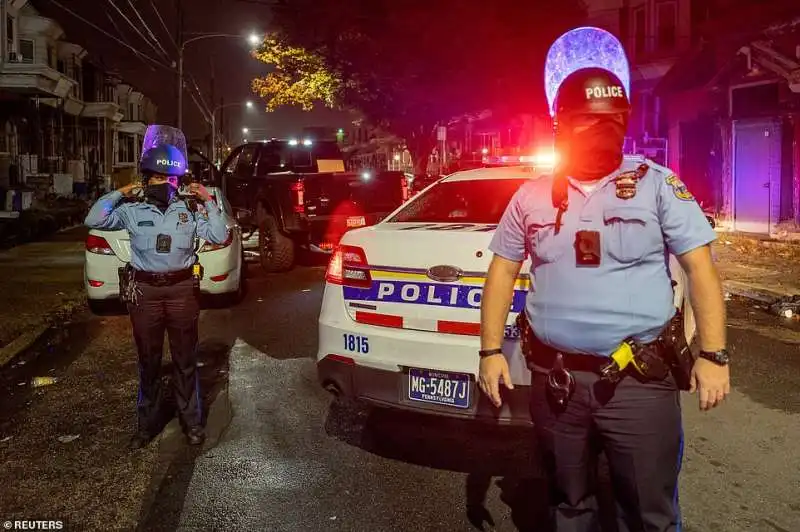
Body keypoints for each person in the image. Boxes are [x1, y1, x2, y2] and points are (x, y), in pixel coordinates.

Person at [478, 66, 731, 531]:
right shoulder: (531, 196)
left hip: (639, 382)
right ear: (562, 125)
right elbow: (502, 271)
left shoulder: (657, 185)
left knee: (648, 512)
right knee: (569, 503)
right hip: (557, 383)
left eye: (614, 118)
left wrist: (714, 354)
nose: (603, 128)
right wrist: (490, 352)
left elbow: (701, 269)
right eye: (589, 120)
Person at [85, 126, 229, 449]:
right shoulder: (132, 211)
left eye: (171, 179)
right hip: (145, 294)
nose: (166, 184)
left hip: (181, 292)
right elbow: (93, 218)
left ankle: (191, 422)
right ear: (147, 179)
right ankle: (146, 426)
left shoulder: (190, 211)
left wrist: (208, 200)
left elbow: (219, 235)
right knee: (148, 362)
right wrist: (122, 191)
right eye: (158, 178)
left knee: (184, 360)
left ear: (177, 181)